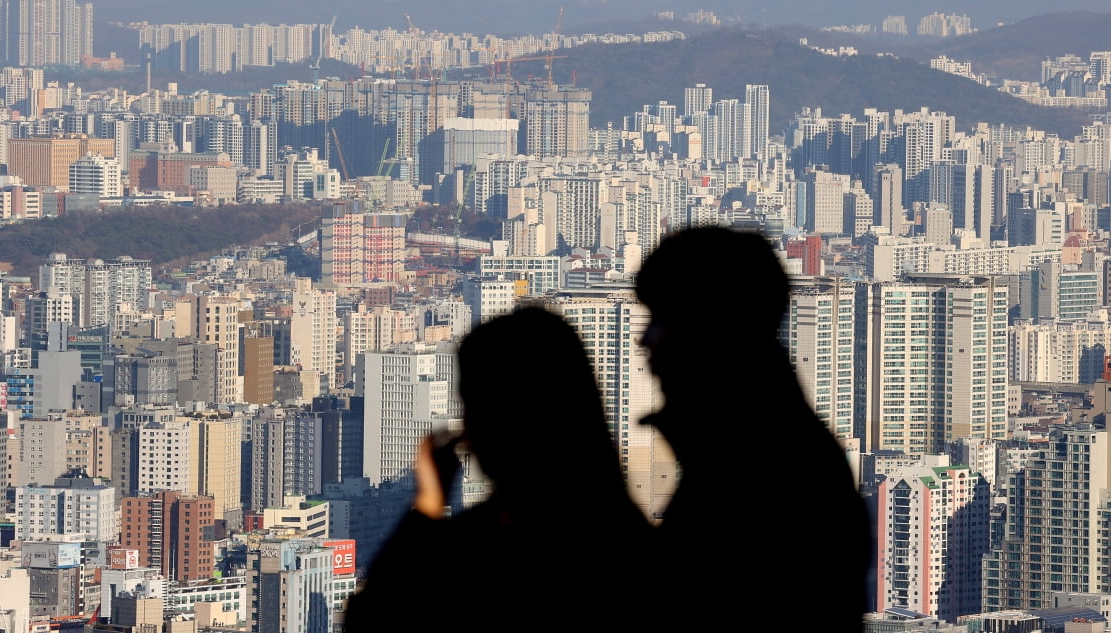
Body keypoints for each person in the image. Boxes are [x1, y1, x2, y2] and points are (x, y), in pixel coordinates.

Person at [345, 307, 649, 628]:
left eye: (475, 409)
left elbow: (373, 616)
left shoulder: (479, 551)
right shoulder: (626, 538)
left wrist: (426, 506)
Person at [636, 227, 871, 627]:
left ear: (711, 329)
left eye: (662, 317)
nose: (645, 340)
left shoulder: (764, 475)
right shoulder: (745, 450)